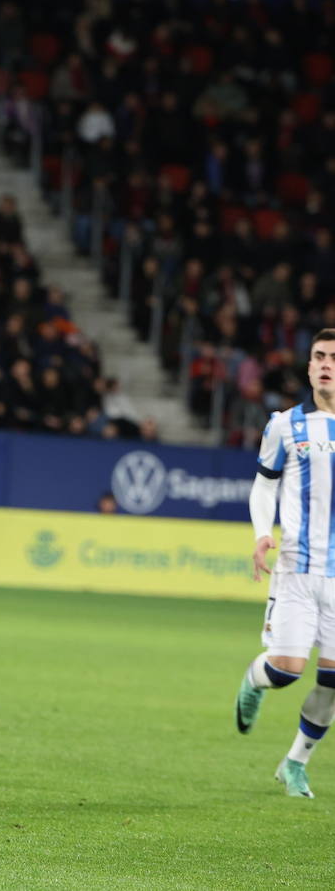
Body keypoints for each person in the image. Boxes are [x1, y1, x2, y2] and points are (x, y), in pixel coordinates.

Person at [238, 329, 335, 798]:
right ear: (309, 365)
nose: (325, 364)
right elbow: (264, 485)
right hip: (296, 567)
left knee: (334, 681)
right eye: (318, 356)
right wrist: (262, 533)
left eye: (333, 358)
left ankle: (295, 763)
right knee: (287, 671)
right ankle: (255, 680)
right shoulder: (286, 425)